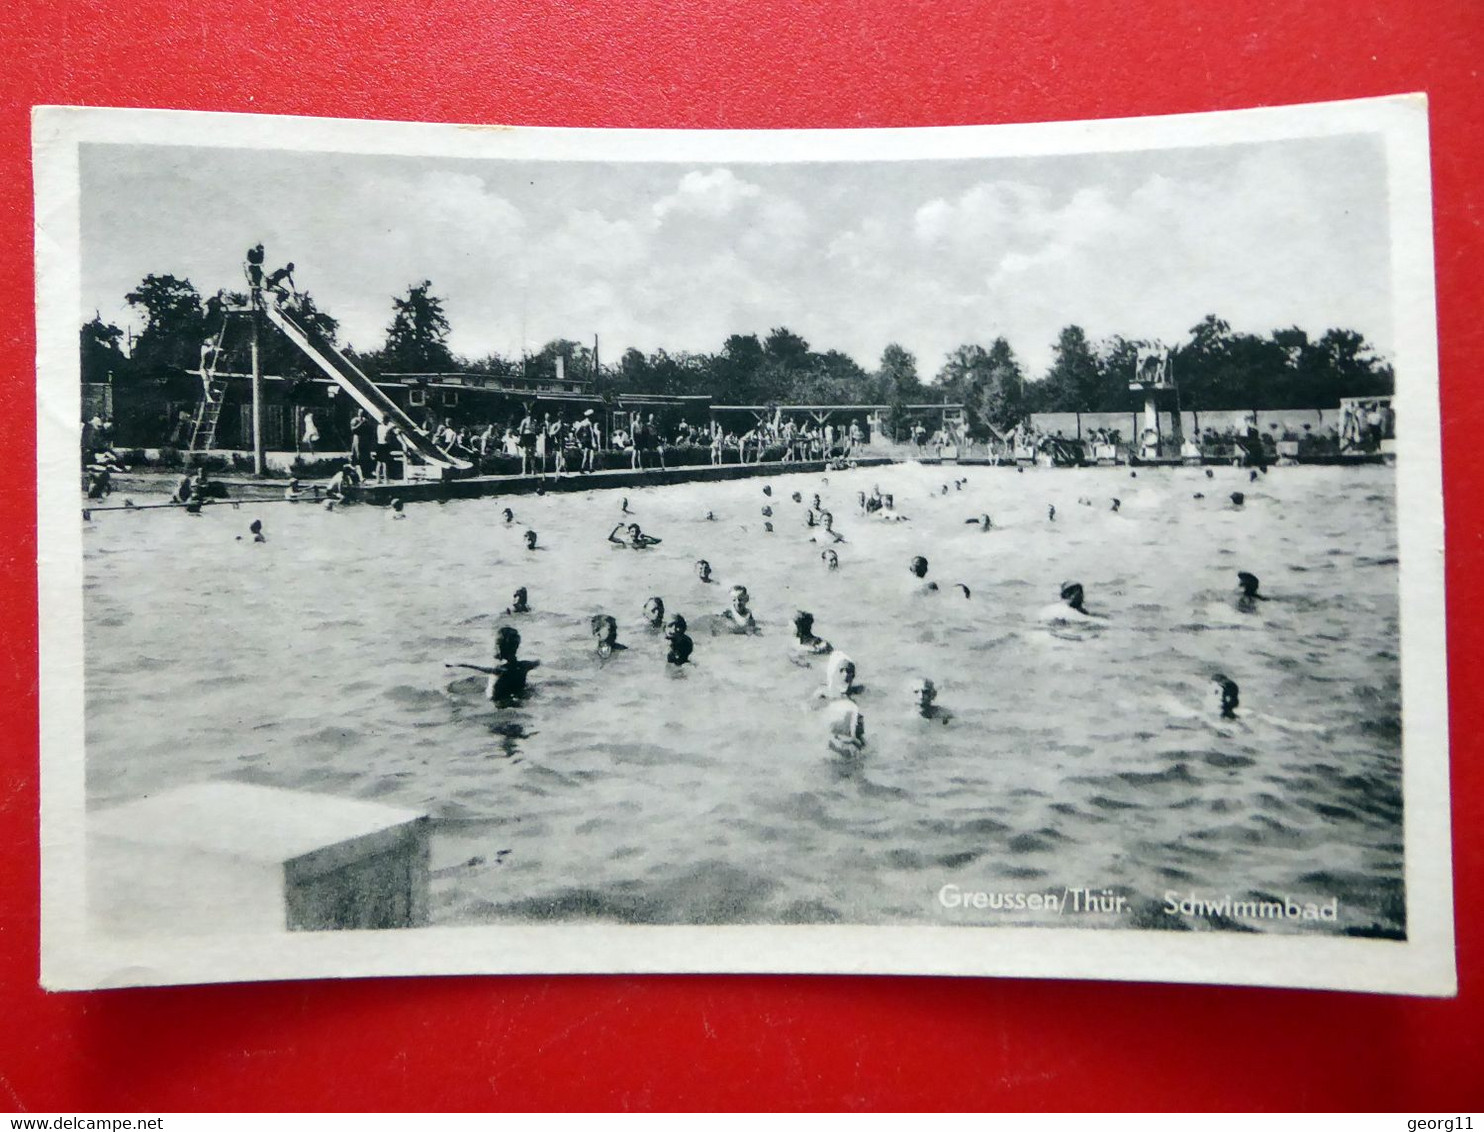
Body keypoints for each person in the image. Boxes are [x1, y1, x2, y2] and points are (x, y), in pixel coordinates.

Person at [447, 625, 541, 704]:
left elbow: (480, 668)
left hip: (500, 702)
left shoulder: (499, 670)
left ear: (499, 648)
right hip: (519, 698)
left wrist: (459, 664)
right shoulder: (524, 666)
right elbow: (537, 662)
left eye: (496, 644)